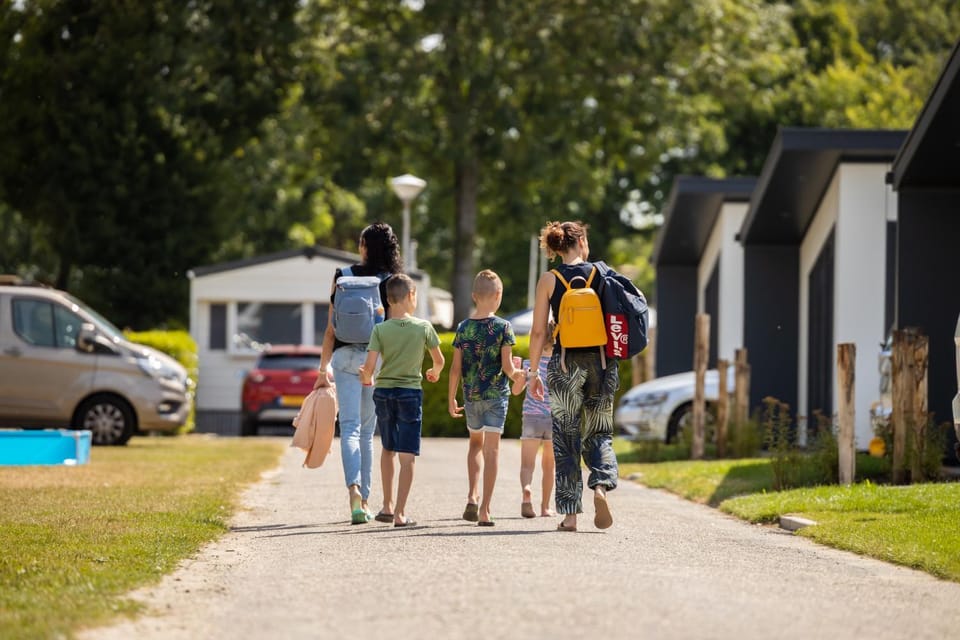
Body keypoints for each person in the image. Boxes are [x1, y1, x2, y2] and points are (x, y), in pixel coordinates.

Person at [526, 221, 618, 532]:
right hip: (601, 363)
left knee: (566, 439)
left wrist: (533, 373)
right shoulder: (602, 274)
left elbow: (538, 332)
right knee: (599, 431)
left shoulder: (549, 280)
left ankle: (569, 515)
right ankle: (601, 485)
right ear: (580, 242)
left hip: (564, 364)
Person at [315, 222, 403, 525]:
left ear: (365, 246)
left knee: (349, 428)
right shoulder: (389, 281)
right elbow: (392, 331)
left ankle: (353, 491)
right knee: (367, 432)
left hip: (342, 358)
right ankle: (365, 500)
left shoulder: (342, 276)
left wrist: (322, 369)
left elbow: (331, 329)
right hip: (373, 361)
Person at [358, 274, 444, 527]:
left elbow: (369, 368)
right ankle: (400, 513)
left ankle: (386, 505)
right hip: (409, 394)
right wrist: (434, 372)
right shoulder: (424, 327)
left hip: (384, 393)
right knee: (407, 456)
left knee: (388, 449)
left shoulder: (380, 329)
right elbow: (439, 360)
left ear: (387, 300)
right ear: (410, 296)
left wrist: (365, 377)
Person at [448, 270, 524, 527]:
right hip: (496, 397)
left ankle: (472, 495)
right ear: (498, 295)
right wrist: (520, 375)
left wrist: (451, 398)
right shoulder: (504, 327)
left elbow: (455, 368)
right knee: (492, 451)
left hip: (471, 397)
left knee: (475, 445)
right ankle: (485, 510)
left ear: (474, 296)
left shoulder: (463, 327)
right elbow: (508, 368)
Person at [511, 319, 557, 518]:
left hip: (531, 417)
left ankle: (526, 492)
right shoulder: (559, 364)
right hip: (553, 419)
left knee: (527, 465)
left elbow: (515, 392)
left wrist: (517, 375)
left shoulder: (529, 365)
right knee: (549, 466)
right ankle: (545, 507)